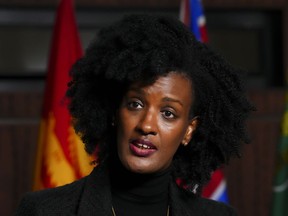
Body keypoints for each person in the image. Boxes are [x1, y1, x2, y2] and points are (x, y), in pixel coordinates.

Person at [16, 14, 255, 216]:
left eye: (168, 113)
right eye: (136, 104)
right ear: (113, 112)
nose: (147, 125)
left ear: (189, 130)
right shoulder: (43, 210)